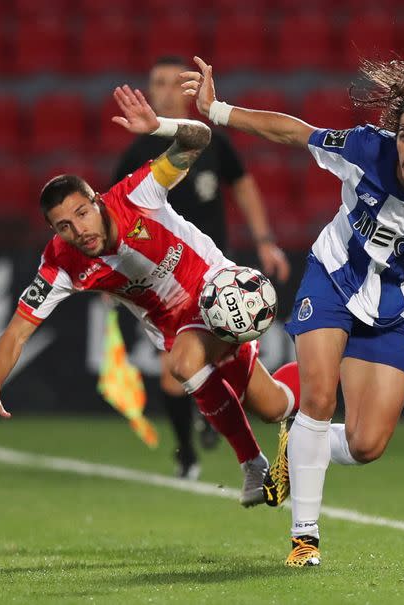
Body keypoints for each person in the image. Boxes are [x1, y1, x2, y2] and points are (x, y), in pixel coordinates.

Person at [182, 57, 404, 564]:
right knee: (319, 398)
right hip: (332, 281)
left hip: (390, 314)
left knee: (367, 445)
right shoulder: (369, 149)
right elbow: (296, 133)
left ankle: (295, 444)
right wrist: (217, 109)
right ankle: (305, 537)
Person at [0, 84, 301, 508]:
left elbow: (200, 138)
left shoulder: (136, 194)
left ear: (95, 200)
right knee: (273, 406)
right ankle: (306, 394)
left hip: (215, 289)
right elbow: (17, 333)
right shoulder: (62, 263)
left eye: (81, 213)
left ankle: (252, 462)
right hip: (174, 325)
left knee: (184, 364)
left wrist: (160, 127)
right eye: (63, 225)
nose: (78, 229)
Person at [113, 56, 291, 480]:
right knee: (176, 375)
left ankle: (230, 425)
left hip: (213, 277)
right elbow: (113, 220)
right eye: (158, 83)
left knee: (214, 373)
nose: (166, 91)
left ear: (188, 90)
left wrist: (265, 240)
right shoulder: (137, 152)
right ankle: (189, 453)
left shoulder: (210, 144)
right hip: (164, 287)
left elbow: (243, 184)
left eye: (175, 83)